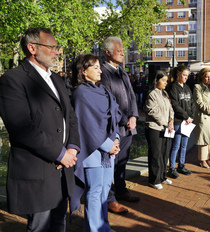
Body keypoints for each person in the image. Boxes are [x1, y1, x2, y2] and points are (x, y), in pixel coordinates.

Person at [0, 27, 80, 231]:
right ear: (32, 48)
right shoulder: (13, 80)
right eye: (52, 47)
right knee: (39, 227)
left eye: (57, 47)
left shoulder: (57, 79)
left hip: (63, 170)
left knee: (59, 223)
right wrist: (60, 153)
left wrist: (72, 148)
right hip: (38, 172)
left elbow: (70, 115)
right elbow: (21, 128)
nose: (57, 51)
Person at [70, 54, 120, 232]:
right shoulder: (81, 93)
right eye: (96, 67)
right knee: (95, 191)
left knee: (104, 191)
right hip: (93, 152)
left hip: (109, 151)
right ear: (84, 72)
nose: (100, 70)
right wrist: (108, 145)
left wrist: (116, 139)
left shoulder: (103, 90)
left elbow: (115, 115)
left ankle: (103, 227)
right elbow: (87, 125)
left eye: (99, 67)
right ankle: (94, 229)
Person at [101, 37, 140, 215]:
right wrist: (126, 119)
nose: (123, 53)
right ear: (108, 52)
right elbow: (109, 101)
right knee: (110, 164)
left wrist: (134, 116)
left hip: (127, 126)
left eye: (123, 50)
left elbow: (132, 96)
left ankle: (121, 189)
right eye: (119, 50)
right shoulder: (102, 72)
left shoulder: (122, 72)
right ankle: (109, 198)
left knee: (123, 161)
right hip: (113, 128)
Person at [144, 70, 174, 189]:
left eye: (166, 81)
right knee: (155, 154)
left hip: (165, 128)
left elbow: (170, 108)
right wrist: (165, 123)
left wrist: (171, 121)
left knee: (164, 153)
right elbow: (152, 111)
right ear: (156, 80)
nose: (165, 83)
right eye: (163, 81)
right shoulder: (152, 94)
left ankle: (162, 176)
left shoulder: (165, 93)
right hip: (154, 128)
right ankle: (153, 179)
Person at [166, 65, 195, 179]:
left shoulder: (187, 88)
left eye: (187, 76)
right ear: (178, 74)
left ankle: (181, 165)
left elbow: (192, 103)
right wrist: (185, 116)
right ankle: (172, 167)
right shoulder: (173, 87)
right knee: (176, 145)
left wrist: (191, 116)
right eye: (184, 75)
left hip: (187, 122)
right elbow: (175, 105)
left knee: (184, 145)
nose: (186, 78)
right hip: (178, 121)